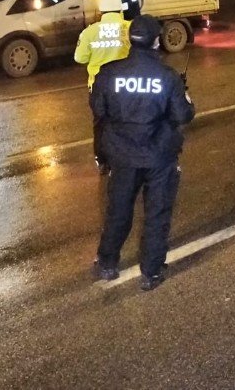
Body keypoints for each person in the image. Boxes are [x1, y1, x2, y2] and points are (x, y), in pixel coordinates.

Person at [90, 15, 195, 291]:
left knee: (118, 210)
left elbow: (98, 110)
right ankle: (151, 271)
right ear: (156, 41)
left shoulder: (109, 73)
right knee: (157, 212)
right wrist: (187, 98)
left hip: (122, 155)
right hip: (158, 156)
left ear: (130, 40)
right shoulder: (168, 78)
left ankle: (107, 263)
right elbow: (183, 115)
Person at [74, 0, 131, 172]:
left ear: (102, 11)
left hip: (98, 87)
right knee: (124, 122)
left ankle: (102, 161)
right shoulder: (129, 28)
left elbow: (80, 58)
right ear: (120, 9)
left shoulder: (90, 31)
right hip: (124, 86)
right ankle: (124, 158)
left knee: (101, 125)